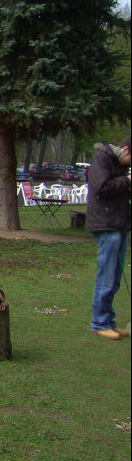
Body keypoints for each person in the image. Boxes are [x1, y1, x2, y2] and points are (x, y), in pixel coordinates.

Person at [85, 135, 131, 340]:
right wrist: (127, 180)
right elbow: (101, 187)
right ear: (126, 150)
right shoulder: (102, 158)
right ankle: (99, 322)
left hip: (120, 224)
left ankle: (109, 321)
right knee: (106, 275)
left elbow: (119, 190)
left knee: (115, 278)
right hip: (105, 225)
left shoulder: (119, 164)